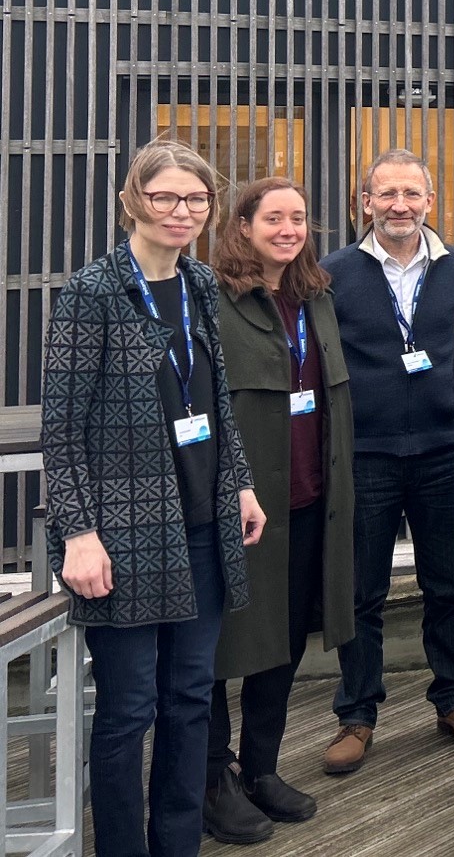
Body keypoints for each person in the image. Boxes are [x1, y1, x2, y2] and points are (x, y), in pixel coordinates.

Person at [42, 139, 267, 857]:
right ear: (132, 202)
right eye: (165, 197)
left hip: (200, 526)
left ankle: (177, 845)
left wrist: (240, 483)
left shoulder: (201, 283)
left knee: (191, 699)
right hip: (122, 538)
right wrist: (78, 533)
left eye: (196, 199)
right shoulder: (91, 291)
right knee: (128, 710)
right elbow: (62, 427)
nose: (181, 211)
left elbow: (217, 405)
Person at [323, 149, 454, 775]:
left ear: (429, 202)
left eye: (411, 195)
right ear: (366, 203)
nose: (399, 206)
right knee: (360, 591)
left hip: (445, 451)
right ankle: (357, 713)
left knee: (447, 584)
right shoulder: (335, 272)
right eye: (386, 195)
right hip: (366, 454)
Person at [203, 179, 356, 843]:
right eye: (274, 218)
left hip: (306, 501)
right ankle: (213, 777)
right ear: (242, 226)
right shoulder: (213, 299)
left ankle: (261, 769)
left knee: (284, 645)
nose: (290, 228)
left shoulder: (314, 297)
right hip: (237, 507)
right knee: (215, 649)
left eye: (299, 217)